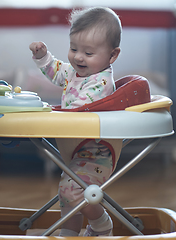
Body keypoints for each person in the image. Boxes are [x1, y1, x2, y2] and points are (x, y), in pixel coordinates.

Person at [29, 7, 122, 236]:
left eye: (88, 53)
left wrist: (54, 115)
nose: (78, 57)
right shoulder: (75, 72)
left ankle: (102, 225)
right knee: (66, 192)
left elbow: (78, 108)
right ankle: (69, 233)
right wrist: (43, 57)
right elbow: (58, 72)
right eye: (73, 49)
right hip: (78, 148)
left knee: (73, 190)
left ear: (112, 56)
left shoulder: (101, 82)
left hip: (98, 149)